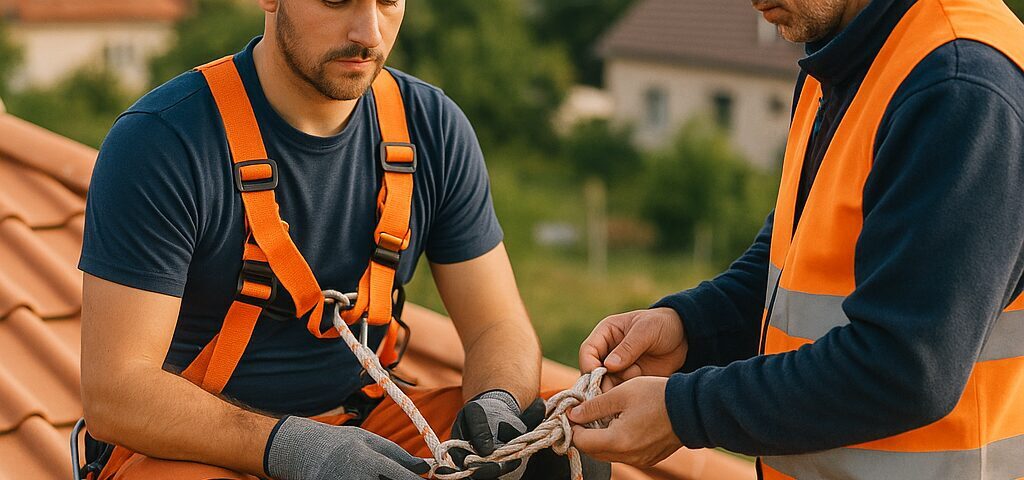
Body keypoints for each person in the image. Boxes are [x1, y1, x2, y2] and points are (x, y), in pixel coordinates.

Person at [77, 1, 593, 479]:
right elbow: (116, 394)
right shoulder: (163, 141)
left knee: (568, 453)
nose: (368, 32)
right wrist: (295, 447)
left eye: (388, 0)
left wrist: (499, 402)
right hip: (198, 446)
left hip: (365, 428)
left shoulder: (430, 127)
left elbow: (497, 324)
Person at [569, 0, 1024, 478]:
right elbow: (797, 254)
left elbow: (906, 369)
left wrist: (686, 412)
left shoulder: (962, 86)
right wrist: (693, 327)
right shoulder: (842, 54)